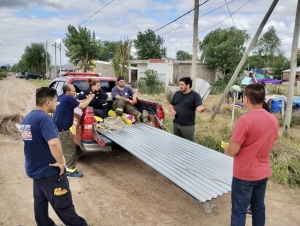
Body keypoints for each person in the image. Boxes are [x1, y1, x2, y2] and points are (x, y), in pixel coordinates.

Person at [21, 87, 87, 226]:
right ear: (47, 102)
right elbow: (54, 143)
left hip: (35, 171)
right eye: (55, 101)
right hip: (50, 172)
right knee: (64, 206)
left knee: (40, 207)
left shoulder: (28, 117)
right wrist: (61, 162)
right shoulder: (44, 118)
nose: (57, 104)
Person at [224, 83, 279, 226]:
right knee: (258, 208)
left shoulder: (245, 120)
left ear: (246, 99)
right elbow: (270, 143)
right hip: (262, 172)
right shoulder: (273, 120)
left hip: (244, 175)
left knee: (239, 210)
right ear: (263, 98)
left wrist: (227, 150)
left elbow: (234, 149)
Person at [53, 84, 94, 178]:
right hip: (64, 131)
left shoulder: (61, 97)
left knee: (66, 149)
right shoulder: (68, 98)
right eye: (73, 91)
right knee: (70, 150)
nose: (75, 92)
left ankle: (68, 168)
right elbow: (82, 106)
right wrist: (90, 99)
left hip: (57, 129)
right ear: (67, 92)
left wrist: (87, 98)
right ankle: (71, 171)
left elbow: (78, 102)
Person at [168, 77, 206, 141]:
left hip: (187, 126)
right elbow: (171, 105)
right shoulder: (177, 93)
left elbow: (198, 107)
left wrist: (200, 109)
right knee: (177, 142)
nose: (180, 86)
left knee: (189, 145)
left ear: (188, 85)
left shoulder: (195, 96)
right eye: (179, 84)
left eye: (182, 84)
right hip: (176, 124)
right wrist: (172, 110)